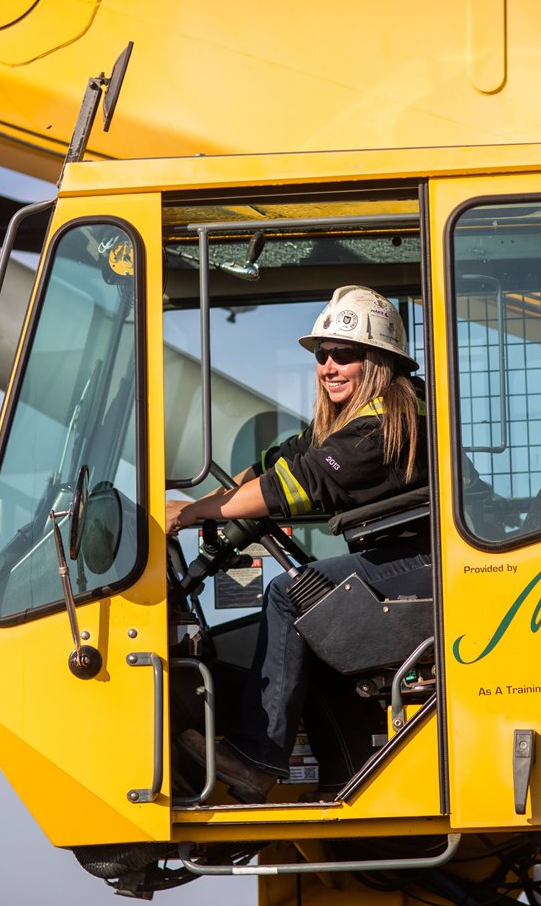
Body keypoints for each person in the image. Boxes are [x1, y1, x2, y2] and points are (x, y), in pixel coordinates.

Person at [166, 285, 431, 803]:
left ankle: (257, 759)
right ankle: (344, 772)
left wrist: (197, 512)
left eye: (344, 355)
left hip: (431, 565)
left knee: (290, 598)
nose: (329, 366)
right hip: (402, 558)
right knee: (317, 621)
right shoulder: (360, 416)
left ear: (376, 362)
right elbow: (279, 463)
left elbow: (299, 484)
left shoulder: (385, 424)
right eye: (322, 355)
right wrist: (199, 504)